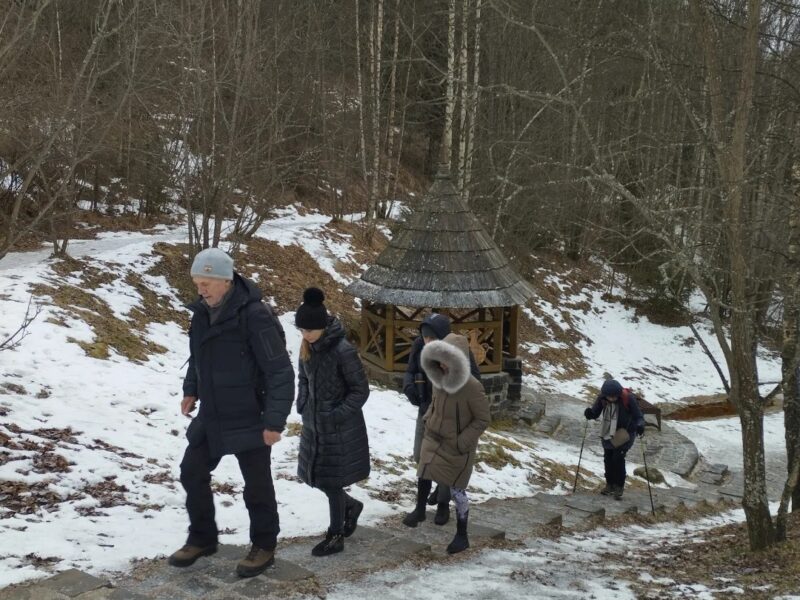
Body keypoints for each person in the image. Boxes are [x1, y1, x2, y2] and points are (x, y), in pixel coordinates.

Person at [169, 248, 295, 578]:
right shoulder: (200, 314)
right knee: (191, 471)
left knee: (256, 487)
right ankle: (202, 538)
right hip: (212, 415)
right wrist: (191, 389)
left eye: (206, 282)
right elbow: (197, 357)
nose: (201, 289)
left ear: (226, 281)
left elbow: (280, 371)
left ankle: (264, 545)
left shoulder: (255, 315)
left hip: (250, 416)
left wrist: (274, 421)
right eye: (197, 282)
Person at [295, 287, 370, 557]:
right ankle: (351, 506)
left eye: (309, 330)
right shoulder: (307, 347)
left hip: (338, 427)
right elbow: (303, 378)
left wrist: (335, 415)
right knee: (316, 477)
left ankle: (335, 534)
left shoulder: (343, 350)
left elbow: (361, 391)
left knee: (332, 481)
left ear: (322, 327)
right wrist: (302, 403)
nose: (305, 335)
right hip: (314, 424)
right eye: (301, 330)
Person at [402, 333, 490, 554]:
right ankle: (419, 510)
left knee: (457, 490)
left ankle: (462, 535)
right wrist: (429, 419)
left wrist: (462, 442)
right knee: (423, 472)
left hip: (457, 447)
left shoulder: (472, 387)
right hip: (434, 437)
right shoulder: (438, 378)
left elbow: (482, 419)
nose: (441, 362)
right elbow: (435, 402)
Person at [583, 378, 645, 500]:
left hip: (625, 433)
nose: (611, 399)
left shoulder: (629, 398)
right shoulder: (602, 398)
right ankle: (609, 485)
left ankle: (619, 486)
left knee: (618, 458)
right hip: (608, 432)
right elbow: (595, 412)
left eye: (614, 397)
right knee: (608, 459)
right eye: (609, 397)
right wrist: (590, 413)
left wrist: (640, 425)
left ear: (618, 394)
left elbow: (639, 416)